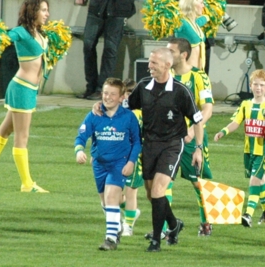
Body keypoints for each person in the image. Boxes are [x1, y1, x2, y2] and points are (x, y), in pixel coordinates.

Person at [125, 47, 204, 252]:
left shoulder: (180, 91)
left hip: (172, 145)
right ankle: (174, 224)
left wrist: (198, 148)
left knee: (160, 191)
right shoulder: (143, 87)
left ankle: (156, 241)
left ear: (167, 65)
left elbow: (198, 120)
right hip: (149, 145)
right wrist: (102, 107)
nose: (149, 66)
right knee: (153, 195)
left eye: (154, 63)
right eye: (150, 62)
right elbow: (126, 107)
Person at [0, 0, 53, 193]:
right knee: (22, 137)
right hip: (22, 89)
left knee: (5, 131)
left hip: (28, 89)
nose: (47, 14)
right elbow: (6, 37)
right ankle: (27, 183)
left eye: (47, 10)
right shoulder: (21, 32)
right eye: (43, 10)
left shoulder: (39, 32)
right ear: (32, 11)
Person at [75, 78, 141, 250]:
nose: (108, 97)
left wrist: (131, 162)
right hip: (99, 164)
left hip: (119, 164)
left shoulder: (129, 117)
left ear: (121, 98)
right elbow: (81, 135)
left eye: (113, 94)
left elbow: (137, 142)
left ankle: (110, 239)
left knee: (111, 197)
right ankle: (116, 226)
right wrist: (79, 150)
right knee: (106, 202)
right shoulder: (94, 115)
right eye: (105, 93)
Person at [214, 69, 265, 227]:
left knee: (254, 180)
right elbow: (236, 122)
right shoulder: (245, 105)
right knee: (260, 179)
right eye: (255, 84)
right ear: (250, 86)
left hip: (263, 150)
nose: (258, 88)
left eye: (262, 85)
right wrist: (224, 131)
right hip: (248, 150)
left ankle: (248, 214)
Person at [165, 37, 214, 236]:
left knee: (199, 183)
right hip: (169, 139)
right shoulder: (165, 75)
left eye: (172, 52)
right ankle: (166, 227)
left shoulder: (198, 76)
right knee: (163, 182)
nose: (168, 55)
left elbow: (208, 108)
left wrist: (194, 130)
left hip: (192, 139)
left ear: (183, 55)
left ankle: (206, 222)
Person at [120, 78, 144, 236]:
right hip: (118, 157)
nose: (126, 97)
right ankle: (132, 212)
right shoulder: (119, 112)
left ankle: (128, 226)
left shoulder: (138, 113)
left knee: (130, 191)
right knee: (111, 194)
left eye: (129, 93)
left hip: (135, 157)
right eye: (124, 93)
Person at [174, 0, 208, 71]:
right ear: (192, 4)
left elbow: (201, 21)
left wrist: (208, 17)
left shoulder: (194, 23)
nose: (203, 6)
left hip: (199, 72)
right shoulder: (182, 22)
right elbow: (174, 26)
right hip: (186, 73)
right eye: (201, 3)